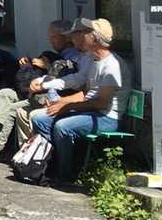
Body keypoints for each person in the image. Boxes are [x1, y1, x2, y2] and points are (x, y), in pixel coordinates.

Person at [30, 18, 123, 183]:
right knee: (39, 119)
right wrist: (45, 84)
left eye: (84, 33)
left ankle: (65, 175)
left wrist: (67, 106)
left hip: (106, 117)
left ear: (94, 38)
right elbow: (78, 79)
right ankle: (50, 165)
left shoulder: (112, 66)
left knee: (62, 126)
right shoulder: (95, 60)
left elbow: (101, 103)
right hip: (90, 111)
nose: (74, 38)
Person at [0, 20, 81, 153]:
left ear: (66, 37)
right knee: (5, 93)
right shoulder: (58, 54)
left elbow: (70, 81)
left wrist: (48, 67)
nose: (50, 40)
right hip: (36, 91)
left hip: (52, 97)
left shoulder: (76, 56)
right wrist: (30, 63)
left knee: (12, 108)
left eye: (53, 36)